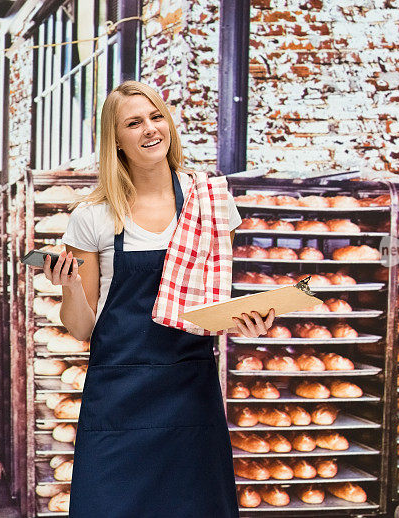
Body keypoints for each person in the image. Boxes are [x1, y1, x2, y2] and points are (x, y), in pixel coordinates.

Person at [42, 80, 275, 517]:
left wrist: (246, 319)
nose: (150, 130)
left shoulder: (210, 201)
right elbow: (81, 327)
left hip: (189, 386)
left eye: (155, 117)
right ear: (117, 141)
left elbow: (217, 299)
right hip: (119, 392)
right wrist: (70, 285)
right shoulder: (94, 216)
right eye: (134, 123)